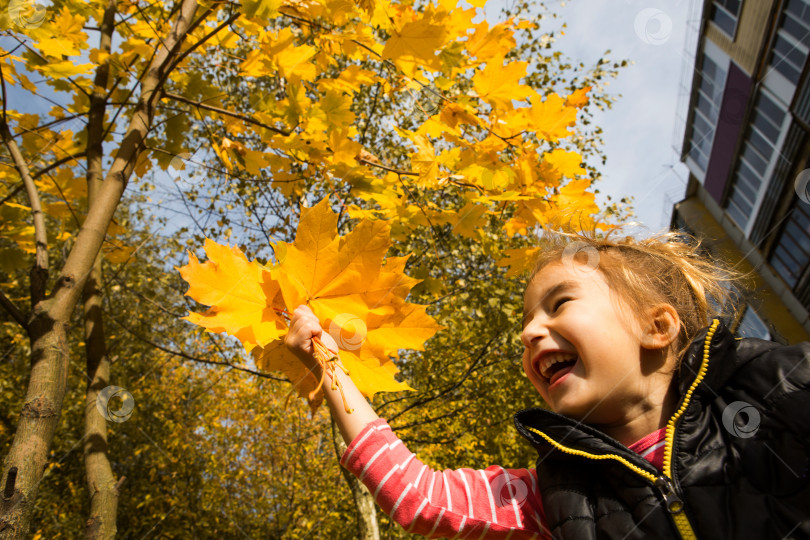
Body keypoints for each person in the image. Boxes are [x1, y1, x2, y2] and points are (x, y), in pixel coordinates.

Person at [284, 232, 810, 539]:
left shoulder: (775, 391)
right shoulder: (555, 495)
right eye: (526, 322)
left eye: (559, 304)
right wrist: (325, 359)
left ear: (657, 327)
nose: (529, 331)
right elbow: (417, 493)